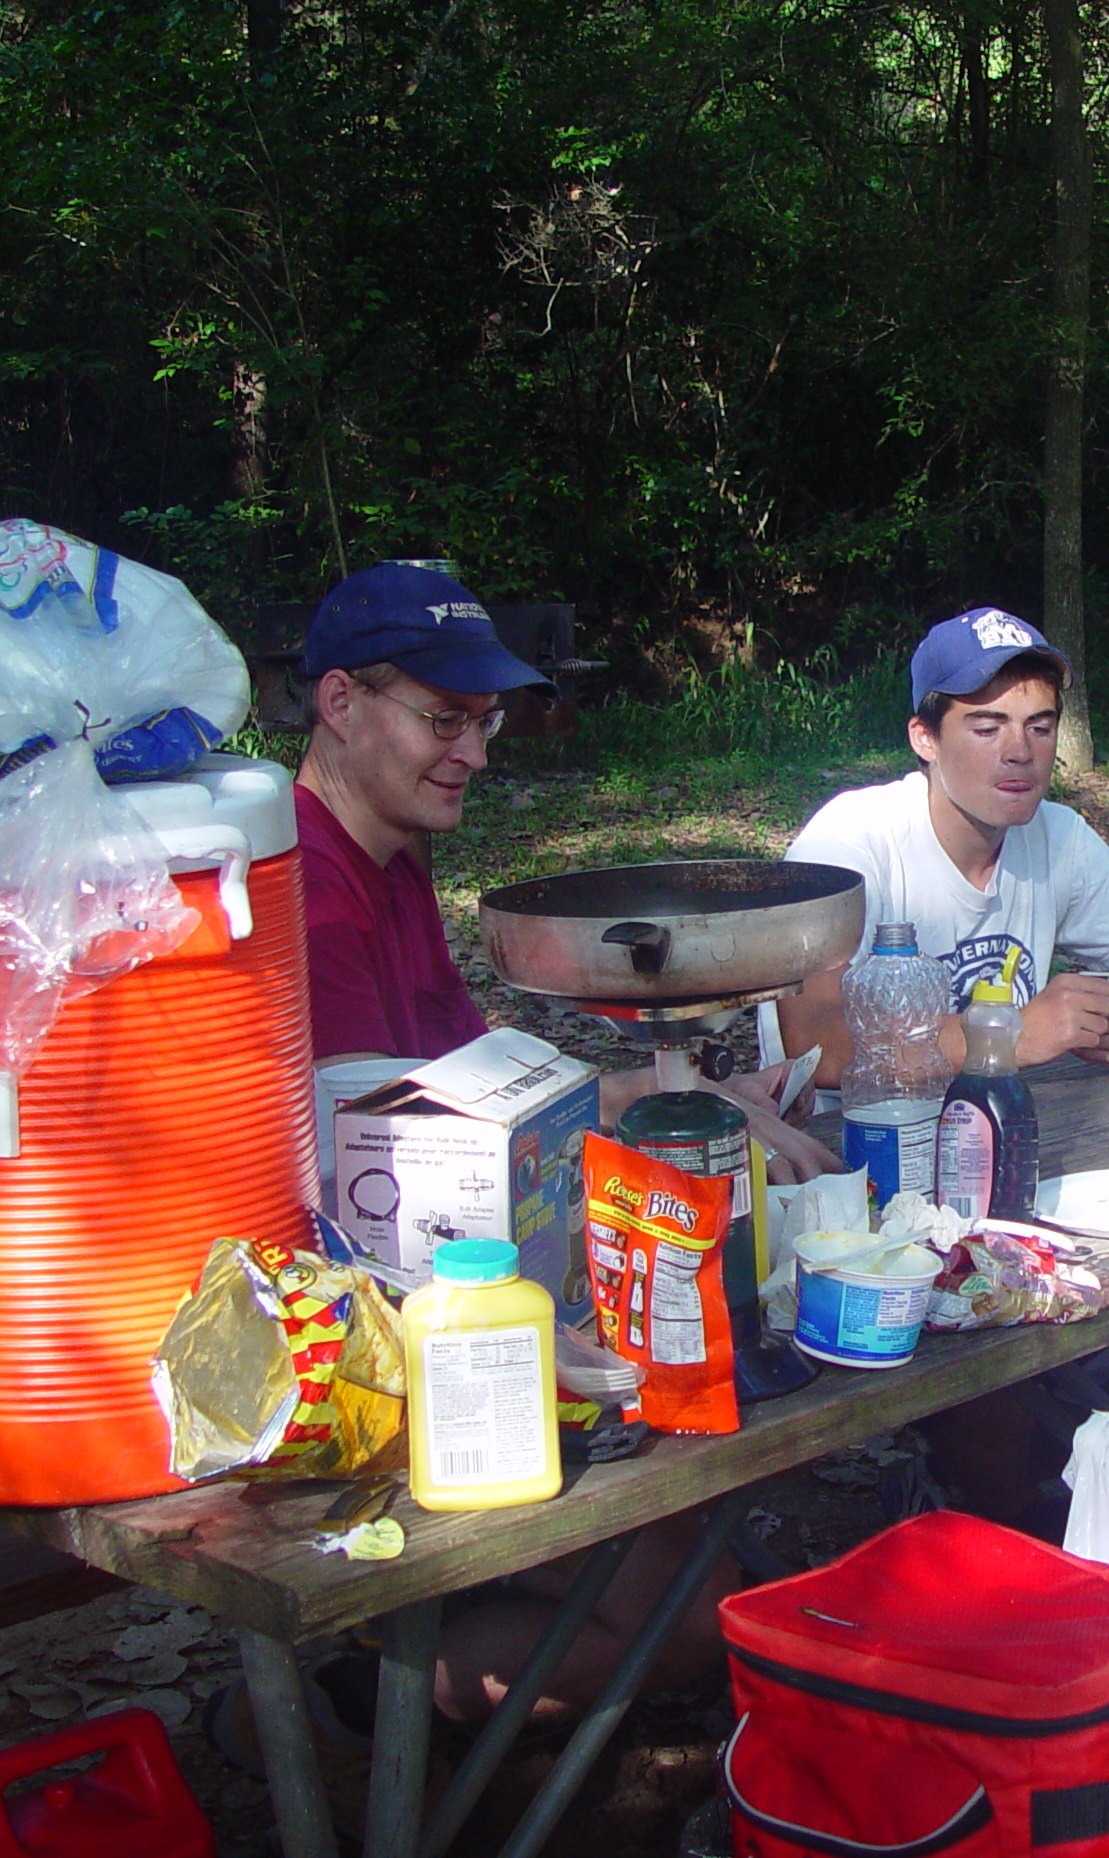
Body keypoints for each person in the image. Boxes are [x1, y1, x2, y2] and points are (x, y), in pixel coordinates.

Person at [286, 562, 823, 1734]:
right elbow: (382, 1156)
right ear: (337, 702)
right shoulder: (304, 887)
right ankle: (325, 1719)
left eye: (482, 723)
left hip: (461, 1295)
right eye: (444, 720)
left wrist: (667, 1092)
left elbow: (477, 1080)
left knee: (694, 1560)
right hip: (369, 1338)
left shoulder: (384, 861)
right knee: (688, 1607)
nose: (475, 754)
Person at [775, 606, 1109, 1080]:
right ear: (925, 738)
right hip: (846, 1141)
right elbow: (815, 1042)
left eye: (1039, 727)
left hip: (1001, 1131)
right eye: (987, 728)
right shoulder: (848, 844)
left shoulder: (1059, 837)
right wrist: (1009, 1034)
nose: (1020, 752)